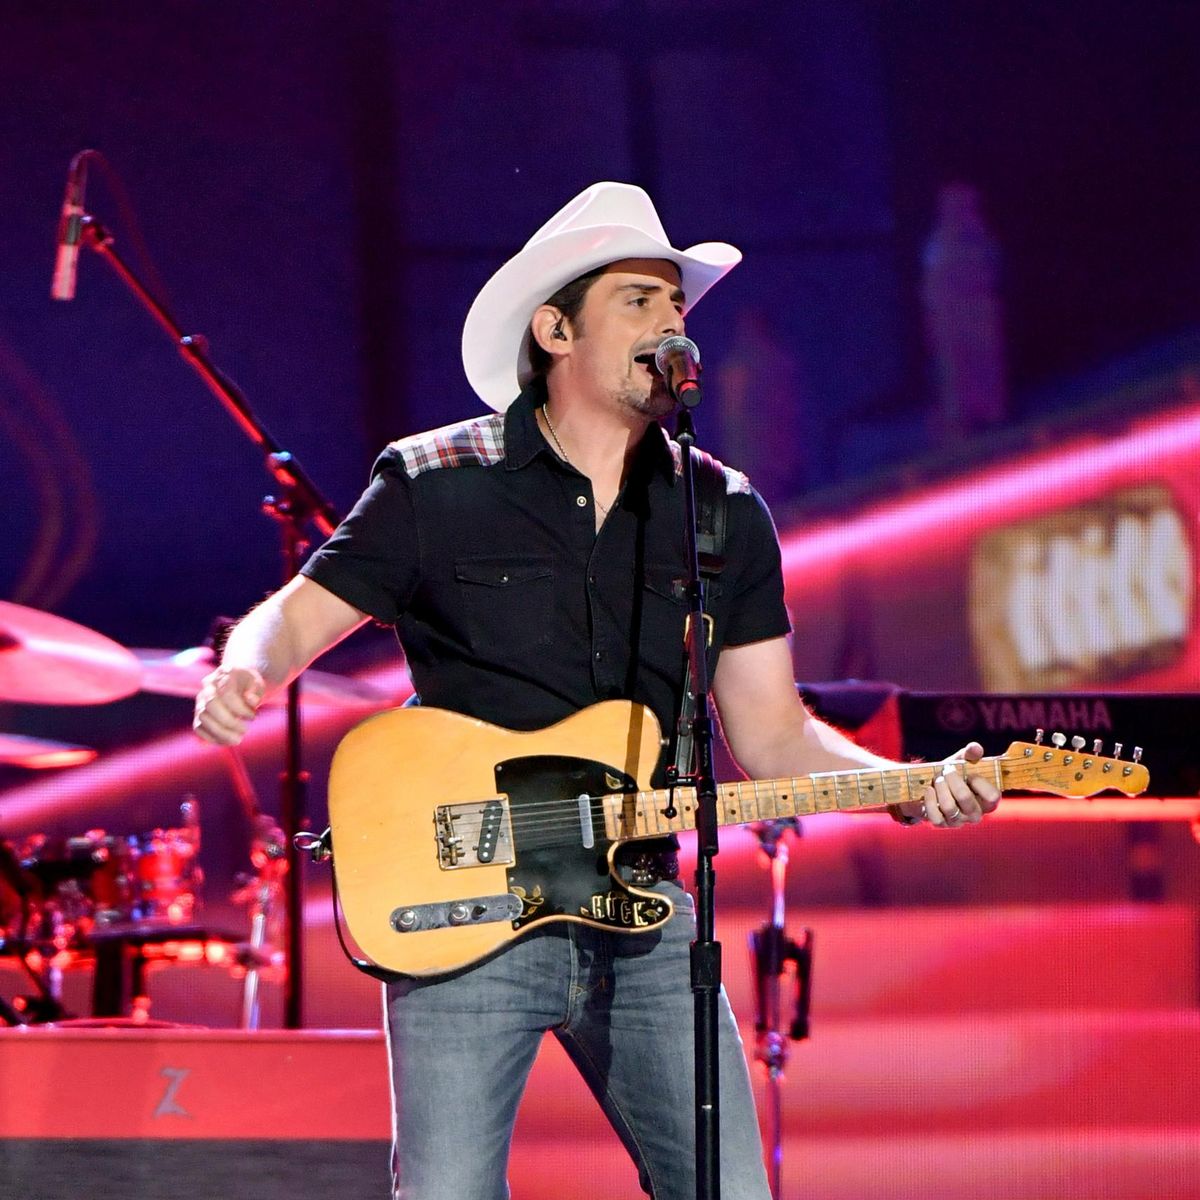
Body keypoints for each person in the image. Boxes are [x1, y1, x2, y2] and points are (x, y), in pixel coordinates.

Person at [193, 182, 1000, 1200]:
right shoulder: (438, 480)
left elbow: (773, 733)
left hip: (646, 912)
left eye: (676, 304)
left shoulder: (721, 511)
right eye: (638, 299)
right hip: (462, 906)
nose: (669, 322)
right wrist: (247, 669)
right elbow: (297, 617)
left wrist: (908, 784)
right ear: (556, 329)